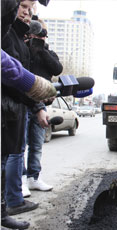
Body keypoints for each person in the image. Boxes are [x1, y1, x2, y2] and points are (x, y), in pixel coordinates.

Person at [1, 0, 53, 228]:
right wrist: (32, 87)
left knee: (7, 157)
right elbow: (13, 74)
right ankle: (11, 201)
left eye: (30, 7)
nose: (26, 11)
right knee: (9, 157)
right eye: (22, 5)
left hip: (14, 108)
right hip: (7, 106)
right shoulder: (8, 35)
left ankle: (3, 212)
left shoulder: (20, 37)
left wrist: (38, 104)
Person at [21, 18, 63, 197]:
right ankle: (20, 181)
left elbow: (57, 68)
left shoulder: (48, 53)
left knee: (37, 144)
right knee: (19, 146)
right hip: (22, 102)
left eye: (42, 33)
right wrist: (30, 47)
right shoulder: (23, 49)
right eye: (36, 32)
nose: (39, 35)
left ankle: (34, 177)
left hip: (41, 107)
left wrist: (42, 49)